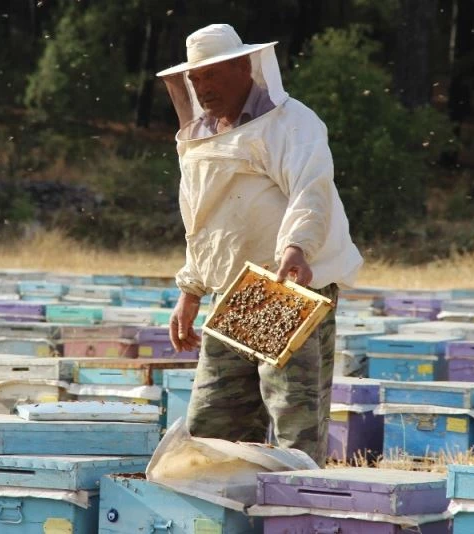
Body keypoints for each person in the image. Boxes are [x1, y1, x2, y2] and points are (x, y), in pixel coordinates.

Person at [157, 24, 363, 466]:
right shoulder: (200, 134)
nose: (202, 87)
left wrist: (296, 248)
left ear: (242, 66)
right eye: (195, 79)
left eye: (211, 75)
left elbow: (312, 189)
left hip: (283, 288)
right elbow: (204, 220)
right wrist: (191, 290)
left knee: (294, 424)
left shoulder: (292, 123)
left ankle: (295, 514)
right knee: (213, 425)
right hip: (234, 296)